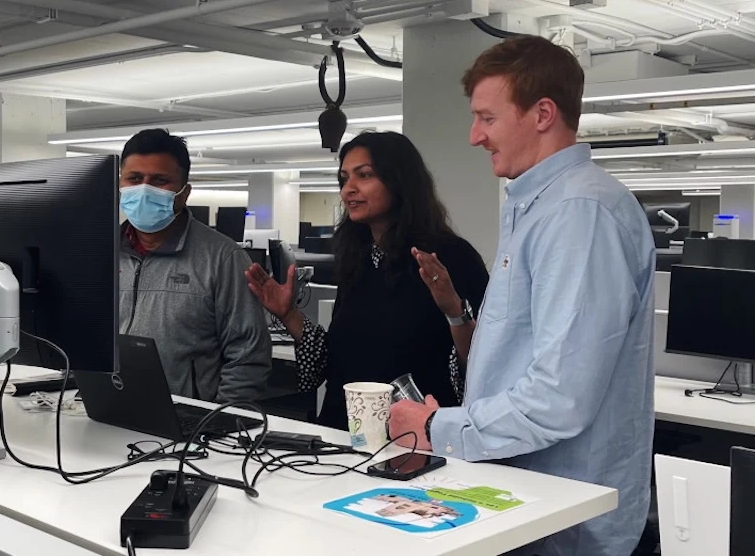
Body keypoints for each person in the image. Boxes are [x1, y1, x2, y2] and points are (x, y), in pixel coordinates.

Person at [389, 35, 655, 556]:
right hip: (524, 497)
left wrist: (438, 427)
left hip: (565, 517)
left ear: (542, 114)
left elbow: (560, 397)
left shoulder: (580, 213)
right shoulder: (535, 205)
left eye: (487, 118)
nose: (474, 136)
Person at [246, 131, 488, 430]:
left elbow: (479, 368)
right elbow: (333, 361)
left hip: (414, 439)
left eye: (365, 175)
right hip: (344, 434)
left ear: (400, 181)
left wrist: (454, 310)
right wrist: (289, 315)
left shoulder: (451, 257)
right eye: (344, 179)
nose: (349, 189)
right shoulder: (358, 259)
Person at [118, 128, 271, 403]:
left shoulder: (222, 258)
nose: (144, 190)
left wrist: (221, 424)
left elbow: (247, 356)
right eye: (134, 179)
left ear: (184, 192)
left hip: (190, 425)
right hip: (109, 408)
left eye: (159, 181)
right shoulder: (103, 252)